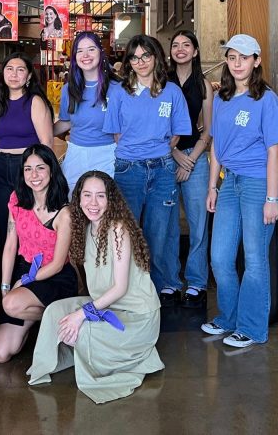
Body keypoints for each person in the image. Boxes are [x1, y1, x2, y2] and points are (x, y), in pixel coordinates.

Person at [27, 171, 163, 404]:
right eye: (87, 195)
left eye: (101, 196)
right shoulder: (85, 228)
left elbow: (119, 288)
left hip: (136, 316)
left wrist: (81, 315)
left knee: (83, 328)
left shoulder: (118, 229)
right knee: (54, 312)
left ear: (111, 200)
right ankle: (49, 364)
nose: (93, 202)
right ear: (78, 199)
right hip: (107, 305)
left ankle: (105, 354)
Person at [201, 35, 278, 348]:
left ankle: (251, 328)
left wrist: (272, 198)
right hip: (230, 183)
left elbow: (274, 151)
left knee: (254, 259)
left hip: (258, 185)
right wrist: (213, 186)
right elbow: (216, 149)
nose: (237, 63)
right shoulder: (221, 100)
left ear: (256, 61)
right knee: (220, 257)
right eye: (232, 57)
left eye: (244, 57)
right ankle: (229, 318)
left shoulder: (266, 100)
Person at [103, 35, 190, 305]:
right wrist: (137, 151)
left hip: (163, 168)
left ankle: (164, 284)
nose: (141, 62)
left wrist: (155, 149)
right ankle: (129, 287)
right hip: (128, 169)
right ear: (128, 62)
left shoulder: (172, 91)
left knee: (160, 229)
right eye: (135, 57)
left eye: (146, 56)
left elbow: (177, 134)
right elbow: (116, 134)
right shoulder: (119, 92)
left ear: (156, 57)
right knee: (126, 230)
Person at [0, 144, 76, 363]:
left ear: (51, 170)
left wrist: (23, 282)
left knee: (11, 304)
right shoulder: (17, 201)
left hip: (54, 277)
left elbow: (58, 264)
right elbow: (10, 245)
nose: (34, 175)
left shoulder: (63, 213)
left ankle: (57, 315)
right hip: (25, 268)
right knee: (1, 353)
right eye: (28, 169)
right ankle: (41, 317)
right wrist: (4, 286)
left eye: (40, 168)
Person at [0, 52, 54, 278]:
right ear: (2, 74)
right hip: (0, 169)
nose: (14, 74)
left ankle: (27, 279)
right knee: (4, 227)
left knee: (26, 228)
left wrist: (43, 176)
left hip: (25, 169)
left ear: (28, 77)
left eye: (20, 69)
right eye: (9, 69)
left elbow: (47, 143)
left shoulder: (34, 102)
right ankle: (7, 284)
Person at [167, 30, 214, 308]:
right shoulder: (161, 82)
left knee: (198, 225)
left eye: (186, 45)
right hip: (166, 157)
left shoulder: (203, 84)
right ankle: (169, 282)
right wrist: (174, 154)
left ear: (195, 51)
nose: (180, 49)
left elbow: (208, 130)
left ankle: (196, 283)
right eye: (175, 45)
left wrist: (191, 160)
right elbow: (156, 128)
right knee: (167, 225)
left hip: (195, 157)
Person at [55, 32, 118, 192]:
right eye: (80, 51)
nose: (86, 55)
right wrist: (40, 130)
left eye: (91, 49)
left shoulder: (117, 88)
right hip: (77, 154)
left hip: (108, 155)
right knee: (74, 206)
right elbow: (67, 121)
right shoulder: (68, 89)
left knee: (105, 208)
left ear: (100, 53)